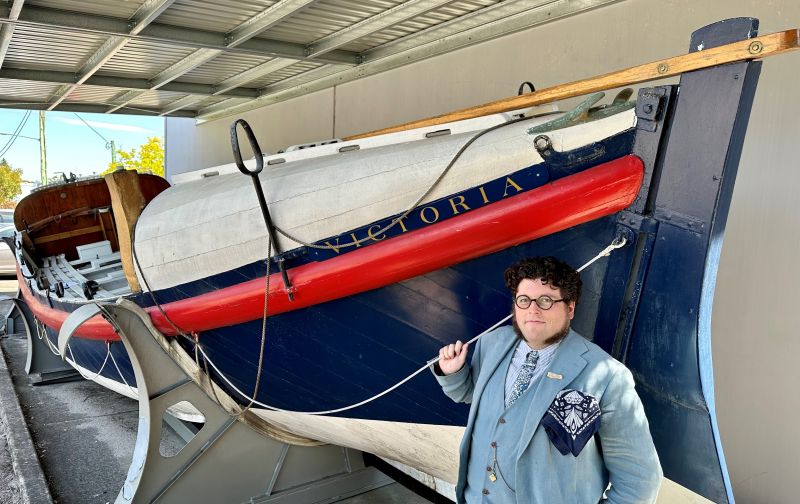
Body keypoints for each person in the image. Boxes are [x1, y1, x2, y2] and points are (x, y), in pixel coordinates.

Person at [433, 256, 662, 503]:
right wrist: (453, 374)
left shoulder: (608, 376)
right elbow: (475, 398)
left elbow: (640, 480)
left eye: (546, 300)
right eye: (524, 300)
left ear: (570, 308)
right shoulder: (491, 344)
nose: (533, 309)